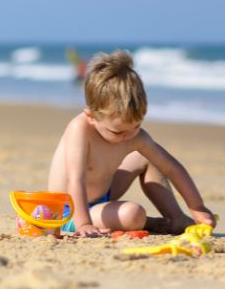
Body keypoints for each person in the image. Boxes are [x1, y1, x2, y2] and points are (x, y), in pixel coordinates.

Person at [48, 50, 215, 237]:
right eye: (117, 131)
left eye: (136, 126)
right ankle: (150, 222)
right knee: (133, 214)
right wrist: (84, 224)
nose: (127, 136)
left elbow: (171, 167)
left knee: (148, 157)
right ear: (91, 117)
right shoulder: (80, 129)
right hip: (69, 211)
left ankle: (175, 217)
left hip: (103, 196)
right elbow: (75, 179)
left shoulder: (134, 135)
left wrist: (198, 207)